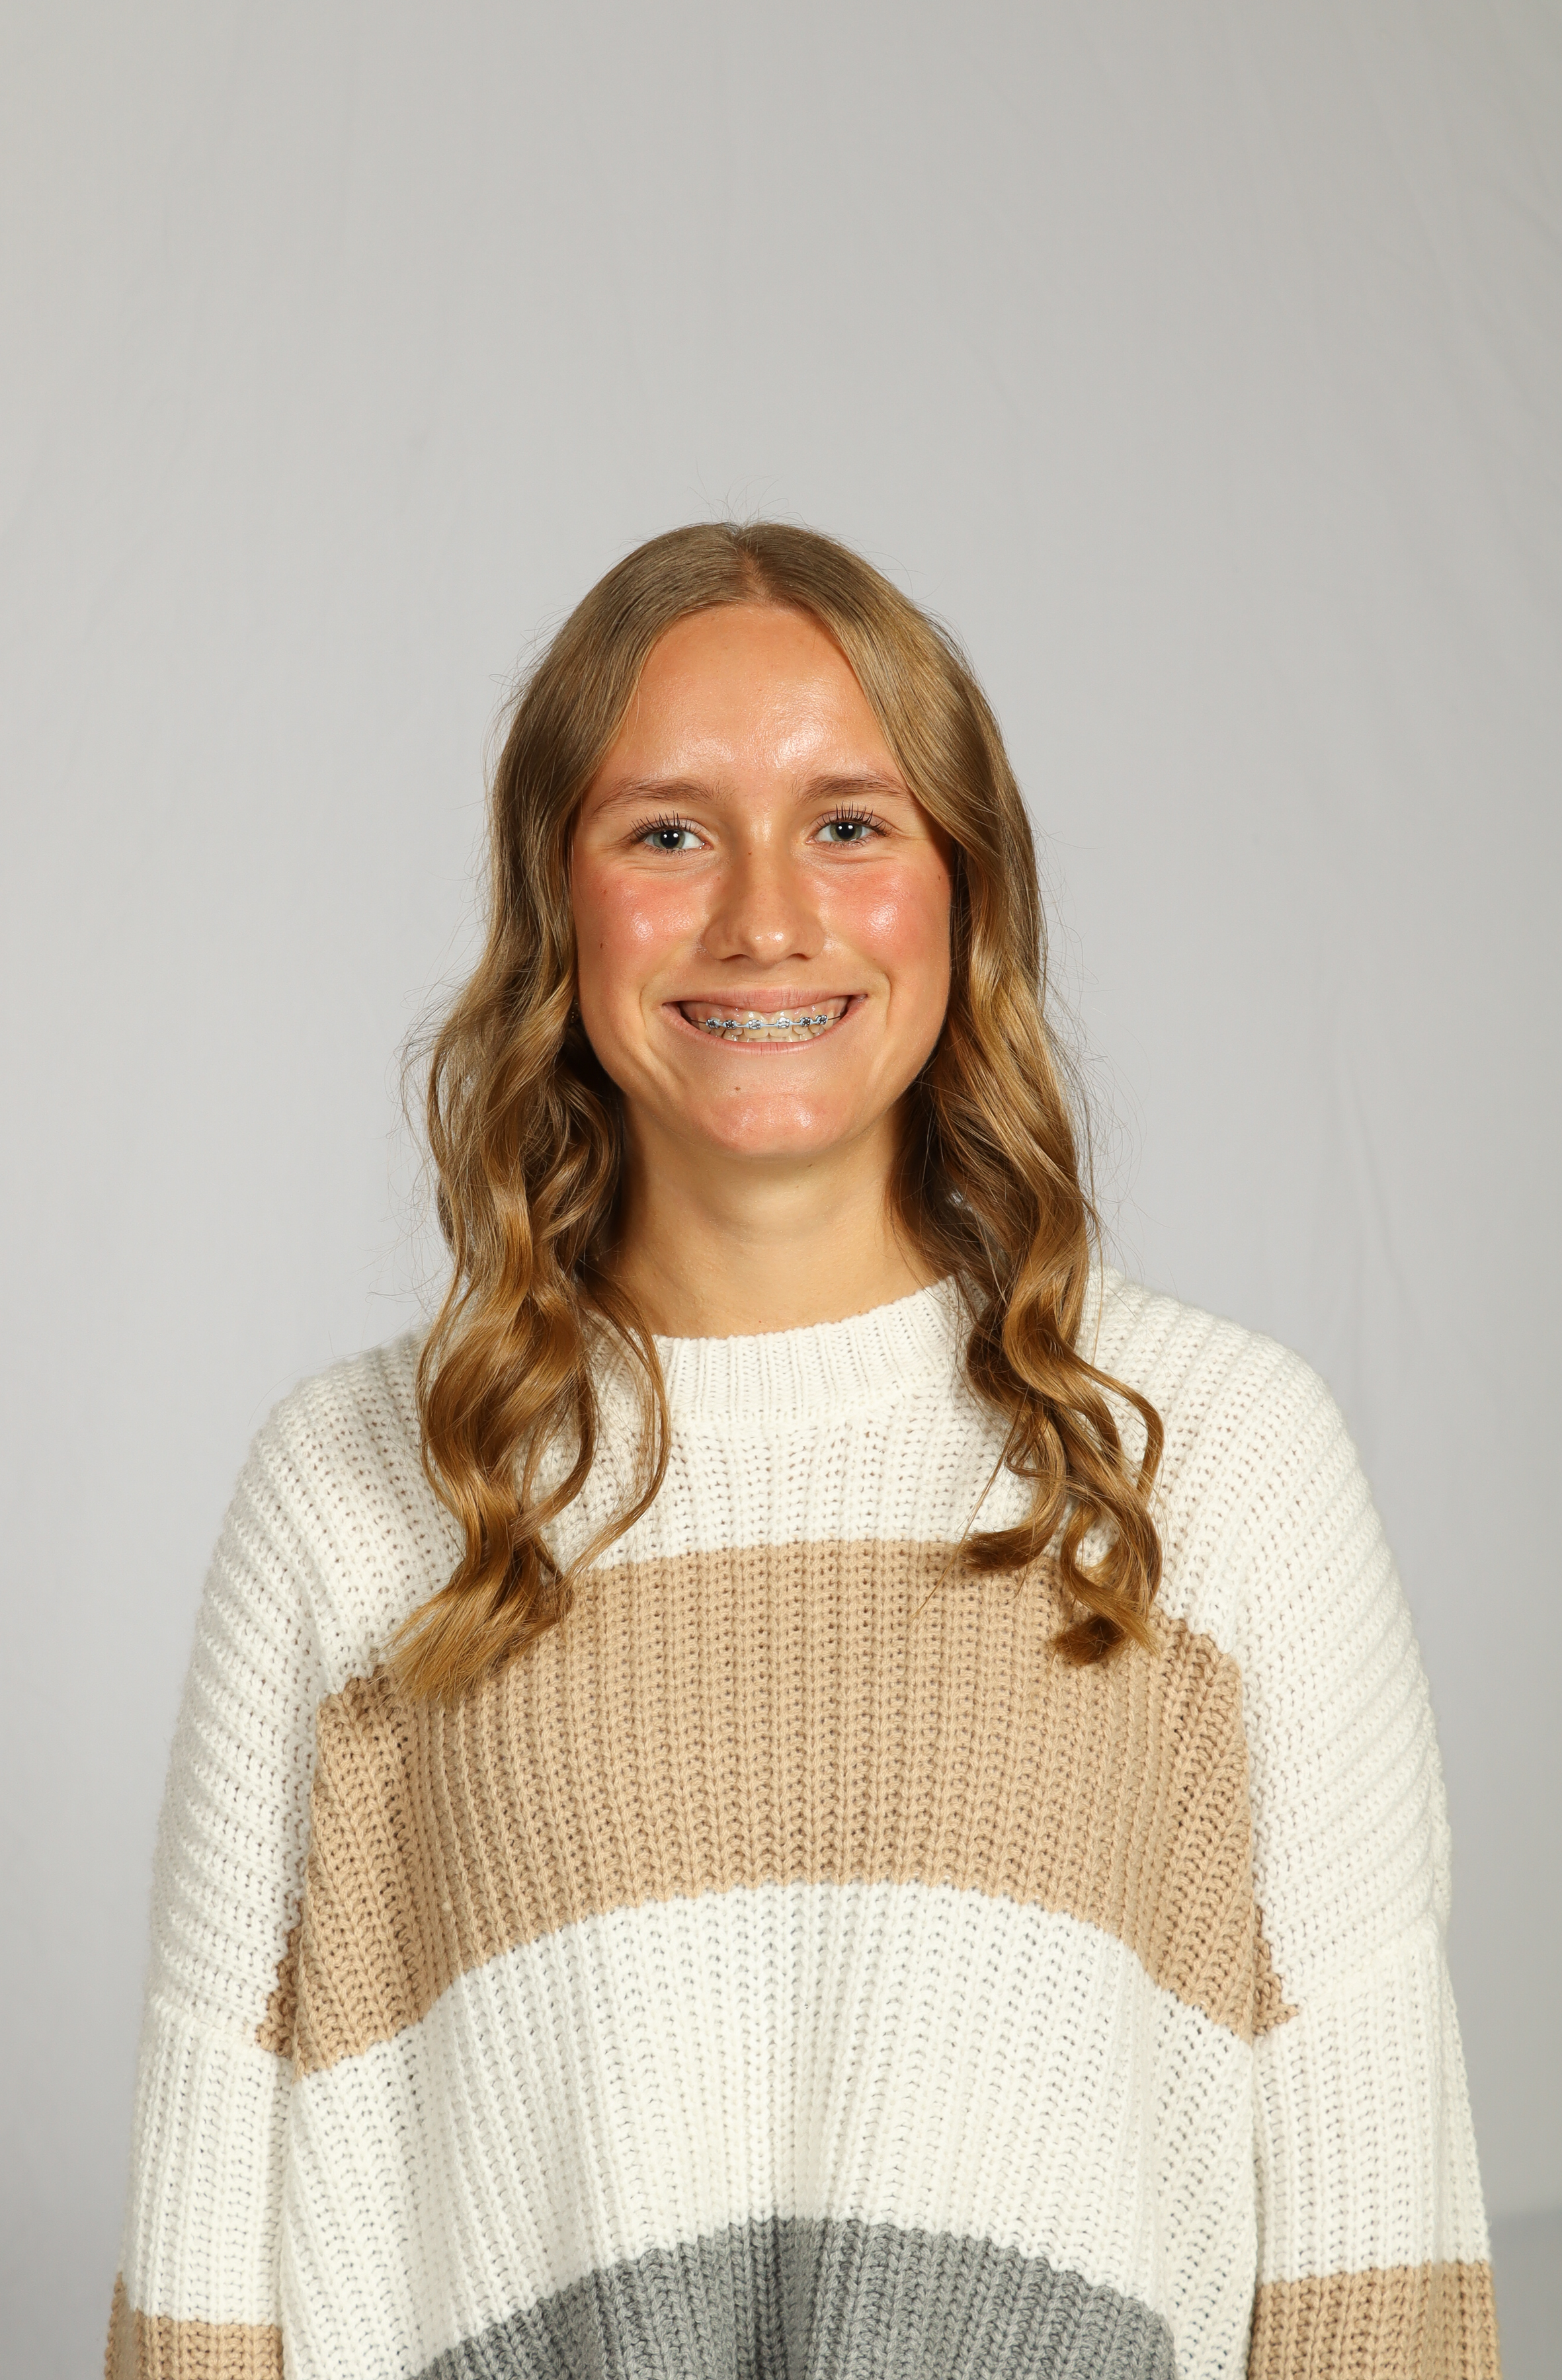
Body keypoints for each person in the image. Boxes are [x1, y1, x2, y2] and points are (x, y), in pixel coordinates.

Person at [105, 523, 1499, 2379]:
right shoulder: (360, 1495)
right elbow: (207, 2250)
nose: (765, 918)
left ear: (965, 895)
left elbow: (1374, 2235)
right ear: (557, 907)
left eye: (850, 823)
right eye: (668, 833)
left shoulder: (1217, 1466)